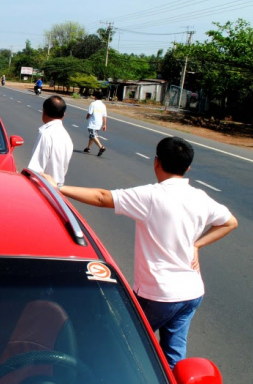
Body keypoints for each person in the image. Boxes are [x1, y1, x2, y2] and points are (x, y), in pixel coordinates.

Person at [50, 137, 238, 368]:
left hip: (158, 294)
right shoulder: (200, 197)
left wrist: (57, 187)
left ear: (156, 162)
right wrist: (196, 245)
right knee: (173, 356)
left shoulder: (151, 196)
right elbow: (230, 222)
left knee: (119, 342)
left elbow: (102, 197)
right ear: (188, 167)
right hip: (191, 293)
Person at [27, 95, 74, 187]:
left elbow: (36, 169)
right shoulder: (66, 137)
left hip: (44, 186)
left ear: (43, 112)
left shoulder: (46, 134)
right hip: (58, 187)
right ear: (63, 115)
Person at [84, 91, 107, 156]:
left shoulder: (93, 104)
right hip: (99, 123)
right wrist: (105, 124)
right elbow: (104, 115)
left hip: (93, 122)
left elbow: (90, 113)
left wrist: (87, 117)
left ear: (95, 97)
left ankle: (101, 147)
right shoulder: (103, 105)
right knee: (92, 135)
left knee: (92, 135)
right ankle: (88, 148)